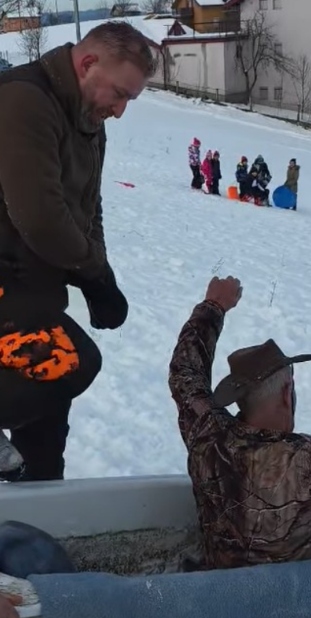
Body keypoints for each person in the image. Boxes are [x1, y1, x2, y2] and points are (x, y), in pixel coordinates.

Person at [0, 21, 154, 481]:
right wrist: (91, 274)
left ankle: (34, 528)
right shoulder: (24, 99)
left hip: (36, 290)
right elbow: (40, 217)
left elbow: (89, 207)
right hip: (7, 288)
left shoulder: (87, 117)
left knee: (45, 449)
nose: (121, 110)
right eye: (121, 94)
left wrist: (99, 271)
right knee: (77, 361)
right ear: (88, 64)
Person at [167, 276, 311, 570]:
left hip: (218, 576)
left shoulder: (205, 431)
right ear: (286, 392)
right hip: (291, 601)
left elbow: (186, 372)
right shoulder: (304, 465)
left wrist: (213, 306)